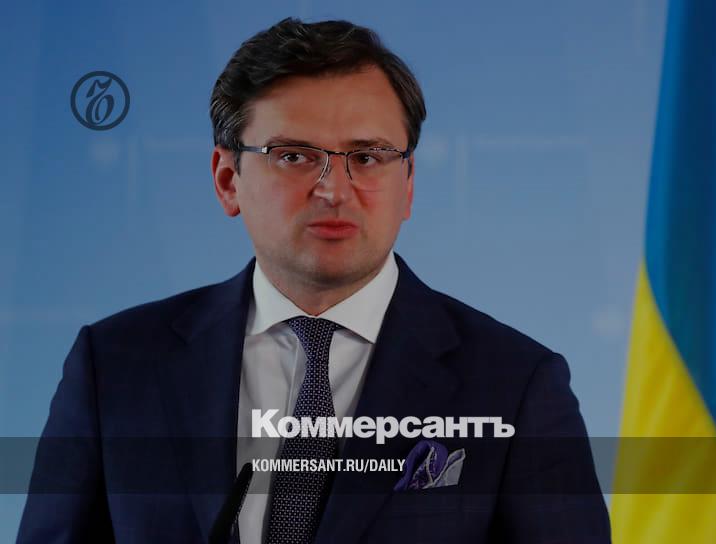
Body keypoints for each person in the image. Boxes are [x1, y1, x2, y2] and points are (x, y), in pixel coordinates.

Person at [18, 18, 610, 543]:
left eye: (368, 157)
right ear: (227, 179)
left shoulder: (515, 385)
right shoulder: (113, 366)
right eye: (294, 155)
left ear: (407, 186)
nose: (333, 189)